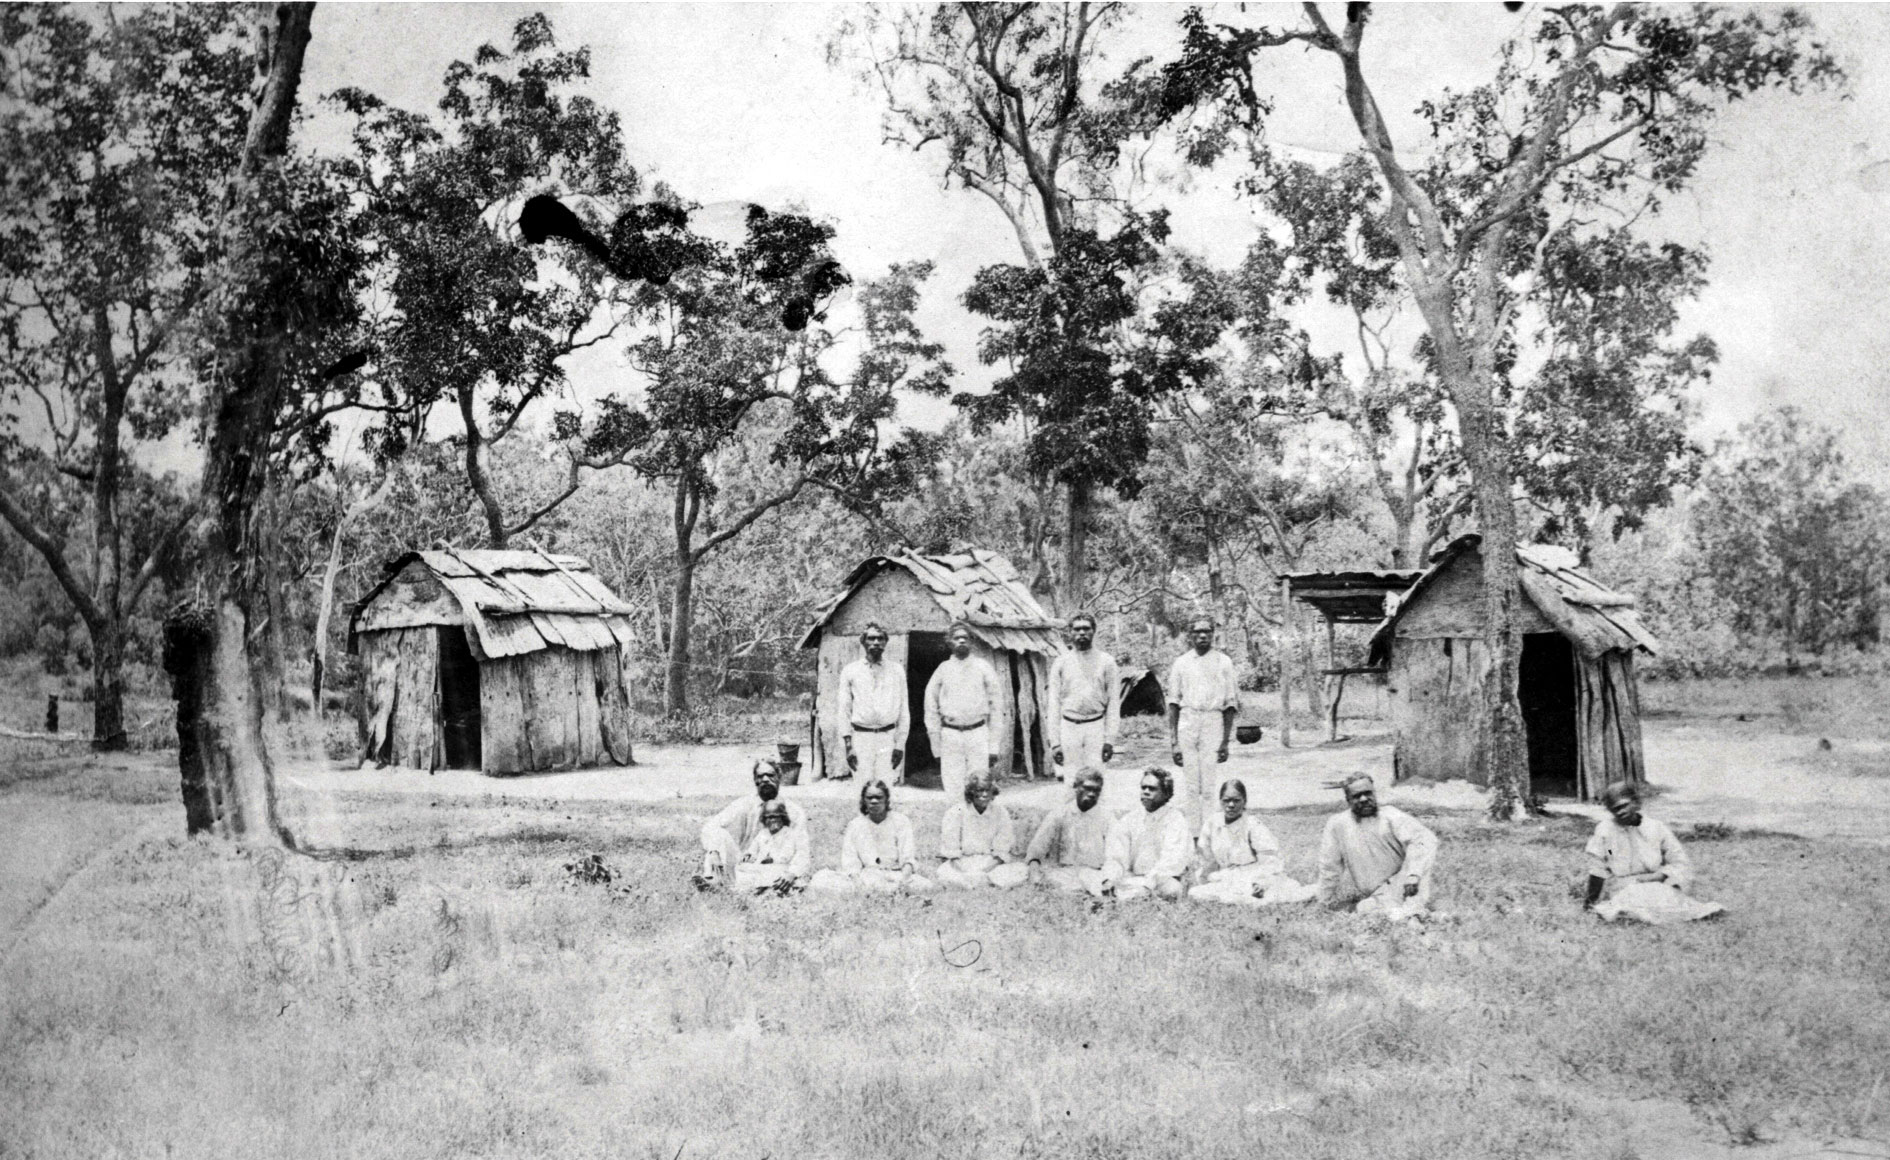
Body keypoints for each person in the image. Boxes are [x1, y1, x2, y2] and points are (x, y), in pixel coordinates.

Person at [1583, 781, 1725, 924]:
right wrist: (1590, 902)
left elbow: (1679, 862)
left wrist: (1656, 876)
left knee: (1668, 903)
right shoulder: (1605, 831)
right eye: (1614, 810)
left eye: (1623, 806)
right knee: (1628, 907)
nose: (1620, 812)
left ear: (1636, 802)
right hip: (1624, 887)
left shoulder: (1656, 828)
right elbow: (1597, 868)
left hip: (1656, 884)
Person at [1316, 774, 1438, 922]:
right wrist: (1324, 901)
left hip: (1405, 884)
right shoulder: (1337, 824)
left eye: (1367, 793)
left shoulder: (1391, 815)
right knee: (1365, 910)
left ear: (1374, 793)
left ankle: (1413, 913)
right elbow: (1329, 867)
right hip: (1375, 893)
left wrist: (1413, 874)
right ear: (1348, 800)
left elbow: (1424, 839)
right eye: (1357, 796)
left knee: (1389, 913)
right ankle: (1412, 915)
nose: (1363, 799)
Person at [1191, 779, 1318, 908]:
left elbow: (1270, 860)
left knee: (1259, 898)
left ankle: (1304, 893)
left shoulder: (1253, 825)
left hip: (1253, 876)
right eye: (1226, 800)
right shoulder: (1212, 823)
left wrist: (1261, 883)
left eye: (1236, 800)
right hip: (1226, 878)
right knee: (1196, 893)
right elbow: (1207, 859)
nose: (1231, 805)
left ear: (1244, 801)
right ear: (1220, 801)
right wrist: (1207, 880)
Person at [1166, 618, 1239, 826]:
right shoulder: (1181, 663)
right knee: (1190, 784)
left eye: (1207, 632)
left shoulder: (1223, 662)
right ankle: (1193, 832)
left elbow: (1230, 704)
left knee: (1208, 784)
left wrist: (1225, 741)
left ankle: (1209, 830)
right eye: (1197, 632)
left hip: (1212, 720)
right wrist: (1174, 742)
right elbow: (1173, 702)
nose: (1203, 636)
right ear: (1190, 636)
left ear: (1213, 634)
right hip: (1188, 720)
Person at [695, 758, 808, 891]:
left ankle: (728, 885)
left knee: (775, 875)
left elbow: (802, 850)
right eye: (760, 776)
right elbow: (711, 826)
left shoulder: (794, 811)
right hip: (745, 864)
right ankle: (713, 879)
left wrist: (792, 873)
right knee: (719, 834)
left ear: (779, 778)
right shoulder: (744, 804)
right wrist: (714, 852)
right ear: (755, 781)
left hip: (777, 866)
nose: (765, 779)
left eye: (771, 775)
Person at [808, 780, 938, 894]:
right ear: (863, 801)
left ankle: (886, 890)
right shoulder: (855, 825)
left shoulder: (901, 821)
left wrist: (902, 883)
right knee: (820, 880)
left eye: (878, 797)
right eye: (869, 798)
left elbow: (908, 858)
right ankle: (879, 890)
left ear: (886, 799)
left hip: (896, 875)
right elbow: (850, 862)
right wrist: (859, 884)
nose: (874, 801)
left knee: (925, 886)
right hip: (867, 875)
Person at [924, 622, 1002, 800]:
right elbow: (930, 708)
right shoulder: (943, 670)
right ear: (949, 642)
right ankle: (956, 824)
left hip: (978, 734)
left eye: (965, 638)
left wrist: (994, 746)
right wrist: (936, 747)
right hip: (951, 735)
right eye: (956, 638)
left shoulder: (983, 668)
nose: (961, 641)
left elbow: (997, 708)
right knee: (953, 788)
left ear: (971, 642)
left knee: (979, 784)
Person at [1100, 768, 1193, 901]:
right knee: (1098, 883)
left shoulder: (1176, 820)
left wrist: (1147, 885)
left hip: (1161, 881)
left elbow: (1171, 862)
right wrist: (1110, 879)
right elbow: (1117, 857)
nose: (1146, 792)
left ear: (1166, 793)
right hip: (1133, 880)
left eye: (1152, 789)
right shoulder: (1130, 819)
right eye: (1143, 787)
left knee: (1172, 890)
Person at [1048, 614, 1119, 783]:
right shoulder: (1061, 662)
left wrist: (1109, 740)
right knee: (1071, 781)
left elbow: (1114, 704)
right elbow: (1053, 704)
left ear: (1094, 631)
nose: (1081, 633)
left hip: (1095, 727)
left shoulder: (1107, 662)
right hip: (1069, 727)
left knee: (1096, 779)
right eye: (1077, 629)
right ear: (1070, 632)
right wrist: (1055, 743)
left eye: (1086, 628)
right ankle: (1070, 810)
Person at [837, 622, 907, 784]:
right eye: (871, 638)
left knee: (886, 788)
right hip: (861, 738)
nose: (876, 642)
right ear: (863, 642)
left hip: (888, 738)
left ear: (885, 642)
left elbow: (904, 710)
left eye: (880, 639)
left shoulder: (896, 670)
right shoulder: (851, 670)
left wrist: (900, 745)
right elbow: (844, 710)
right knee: (862, 789)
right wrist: (848, 746)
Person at [1025, 768, 1111, 894]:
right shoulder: (1059, 814)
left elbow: (1115, 855)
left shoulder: (1106, 818)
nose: (1092, 794)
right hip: (1061, 873)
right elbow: (1036, 850)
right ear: (1075, 787)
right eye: (1087, 788)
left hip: (1094, 874)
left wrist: (1108, 880)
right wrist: (1035, 875)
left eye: (1096, 790)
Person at [935, 777, 1028, 889]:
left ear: (992, 792)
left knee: (1021, 871)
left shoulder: (1001, 813)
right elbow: (952, 851)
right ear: (971, 792)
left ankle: (978, 883)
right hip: (962, 863)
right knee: (946, 873)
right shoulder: (955, 812)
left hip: (990, 864)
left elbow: (1001, 851)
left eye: (987, 790)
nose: (984, 795)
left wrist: (982, 872)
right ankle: (981, 884)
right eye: (979, 790)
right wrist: (968, 872)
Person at [732, 800, 811, 894]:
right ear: (764, 820)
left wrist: (791, 873)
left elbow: (801, 858)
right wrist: (748, 856)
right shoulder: (762, 834)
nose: (772, 820)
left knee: (777, 873)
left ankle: (759, 888)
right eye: (769, 817)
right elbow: (752, 851)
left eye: (775, 816)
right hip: (761, 870)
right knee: (740, 867)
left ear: (783, 817)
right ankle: (759, 887)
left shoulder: (792, 835)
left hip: (781, 871)